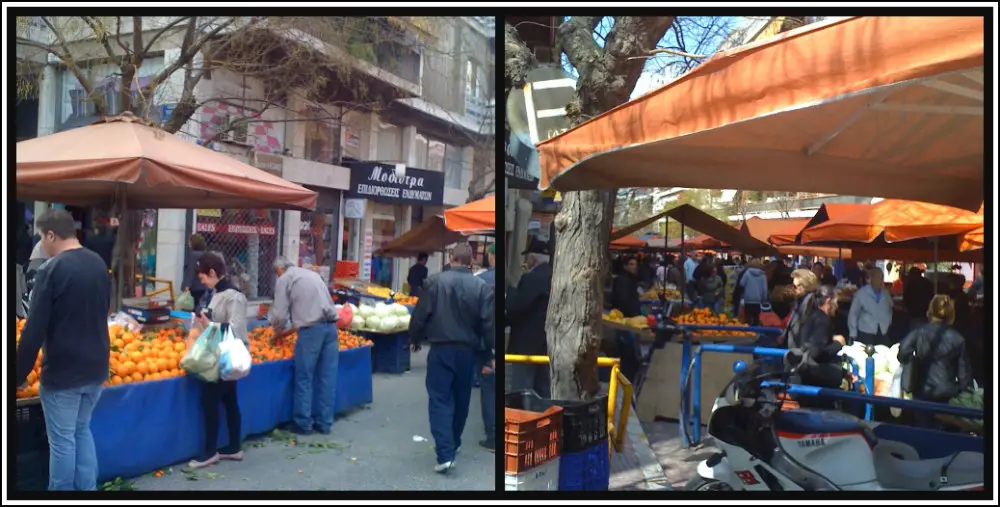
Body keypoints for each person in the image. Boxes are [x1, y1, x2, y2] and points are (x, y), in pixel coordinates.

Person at [15, 209, 111, 490]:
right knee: (81, 431)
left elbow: (33, 331)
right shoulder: (98, 264)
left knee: (62, 441)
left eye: (42, 238)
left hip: (64, 371)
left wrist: (17, 375)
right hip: (96, 367)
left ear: (51, 234)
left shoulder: (51, 270)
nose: (41, 246)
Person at [409, 243, 493, 473]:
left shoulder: (435, 282)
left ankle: (445, 452)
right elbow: (488, 325)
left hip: (441, 349)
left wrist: (415, 339)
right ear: (471, 260)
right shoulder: (482, 287)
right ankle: (453, 444)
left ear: (451, 257)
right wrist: (487, 356)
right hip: (468, 351)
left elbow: (420, 315)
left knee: (440, 399)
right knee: (461, 399)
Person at [186, 253, 249, 469]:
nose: (201, 281)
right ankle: (233, 447)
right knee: (229, 400)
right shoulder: (217, 293)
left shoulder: (234, 296)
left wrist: (209, 323)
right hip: (219, 355)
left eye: (203, 276)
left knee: (210, 400)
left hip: (225, 358)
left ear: (212, 273)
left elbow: (237, 330)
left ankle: (211, 451)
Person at [269, 257, 342, 436]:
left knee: (304, 376)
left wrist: (276, 332)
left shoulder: (284, 279)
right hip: (331, 327)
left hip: (311, 330)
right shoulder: (310, 274)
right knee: (327, 377)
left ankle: (303, 423)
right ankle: (325, 423)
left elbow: (279, 313)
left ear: (279, 269)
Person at [897, 295, 973, 429]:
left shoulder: (918, 332)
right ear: (951, 314)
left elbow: (903, 352)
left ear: (931, 311)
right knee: (944, 437)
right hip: (947, 395)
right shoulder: (958, 339)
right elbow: (964, 377)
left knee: (922, 432)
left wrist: (913, 361)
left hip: (922, 392)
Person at [506, 239, 553, 397]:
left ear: (533, 259)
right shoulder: (554, 276)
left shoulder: (531, 278)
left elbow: (517, 307)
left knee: (522, 389)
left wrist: (512, 291)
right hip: (547, 342)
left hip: (526, 343)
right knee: (543, 387)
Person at [793, 285, 847, 407]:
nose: (837, 306)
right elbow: (816, 351)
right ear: (828, 301)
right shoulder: (823, 320)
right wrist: (838, 344)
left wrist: (831, 339)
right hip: (815, 377)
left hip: (804, 374)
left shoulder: (810, 315)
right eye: (836, 302)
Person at [476, 244, 496, 452]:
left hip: (485, 346)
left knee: (489, 389)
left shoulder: (481, 281)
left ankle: (492, 435)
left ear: (491, 256)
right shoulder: (513, 278)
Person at [610, 256, 643, 382]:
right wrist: (634, 315)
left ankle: (626, 382)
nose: (634, 266)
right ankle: (625, 382)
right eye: (631, 263)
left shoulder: (629, 279)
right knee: (628, 357)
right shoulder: (623, 280)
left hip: (629, 322)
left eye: (635, 264)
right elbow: (624, 301)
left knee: (630, 357)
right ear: (624, 266)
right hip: (625, 323)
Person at [848, 268, 894, 346]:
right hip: (866, 332)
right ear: (871, 278)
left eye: (881, 278)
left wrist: (888, 322)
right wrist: (853, 332)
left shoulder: (885, 293)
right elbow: (853, 314)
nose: (880, 280)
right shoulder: (862, 293)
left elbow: (890, 308)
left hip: (883, 331)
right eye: (877, 277)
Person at [779, 269, 821, 349]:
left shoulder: (811, 302)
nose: (793, 289)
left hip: (800, 351)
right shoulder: (800, 300)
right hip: (794, 349)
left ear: (805, 286)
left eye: (795, 286)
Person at [903, 266, 935, 332]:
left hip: (915, 314)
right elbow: (932, 296)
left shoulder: (911, 285)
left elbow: (906, 298)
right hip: (925, 313)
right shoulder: (927, 283)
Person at [183, 234, 210, 311]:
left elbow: (190, 270)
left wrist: (187, 286)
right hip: (203, 285)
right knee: (200, 306)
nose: (188, 243)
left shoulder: (193, 255)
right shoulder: (205, 254)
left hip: (194, 286)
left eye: (190, 241)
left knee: (191, 307)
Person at [739, 260, 769, 326]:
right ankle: (756, 333)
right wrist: (764, 300)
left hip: (748, 299)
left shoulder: (747, 273)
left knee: (747, 319)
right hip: (758, 300)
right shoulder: (762, 275)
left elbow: (741, 284)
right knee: (756, 318)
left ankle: (748, 332)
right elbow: (764, 289)